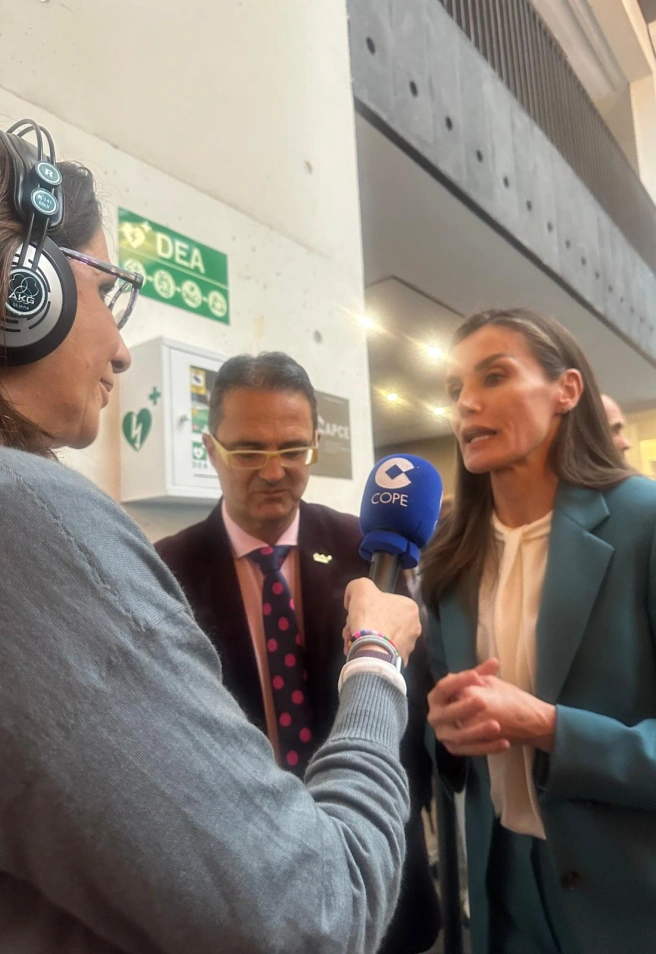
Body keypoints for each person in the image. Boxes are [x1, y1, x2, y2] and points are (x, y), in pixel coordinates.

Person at [0, 119, 425, 954]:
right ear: (27, 291)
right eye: (107, 293)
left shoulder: (359, 540)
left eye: (296, 450)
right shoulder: (55, 530)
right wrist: (376, 660)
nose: (121, 351)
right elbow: (310, 914)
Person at [155, 353, 441, 954]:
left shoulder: (368, 550)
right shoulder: (164, 570)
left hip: (378, 868)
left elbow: (407, 703)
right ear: (210, 449)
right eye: (249, 450)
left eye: (293, 449)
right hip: (241, 885)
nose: (274, 470)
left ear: (315, 444)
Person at [422, 307, 656, 954]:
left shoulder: (644, 523)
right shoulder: (452, 554)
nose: (467, 403)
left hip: (629, 894)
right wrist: (444, 727)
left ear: (566, 391)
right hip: (500, 889)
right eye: (454, 389)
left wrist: (550, 727)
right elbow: (450, 744)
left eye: (494, 376)